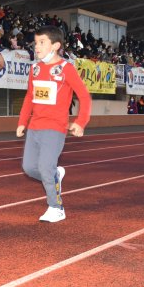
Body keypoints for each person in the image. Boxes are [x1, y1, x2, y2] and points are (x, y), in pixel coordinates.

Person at [17, 25, 91, 222]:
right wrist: (22, 122)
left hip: (55, 127)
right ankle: (54, 175)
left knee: (44, 167)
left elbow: (84, 96)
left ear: (56, 45)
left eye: (42, 42)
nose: (37, 47)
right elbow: (29, 98)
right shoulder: (35, 69)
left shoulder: (66, 69)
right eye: (36, 42)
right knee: (29, 168)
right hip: (34, 127)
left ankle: (56, 208)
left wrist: (80, 122)